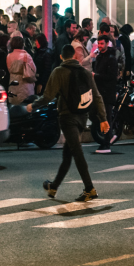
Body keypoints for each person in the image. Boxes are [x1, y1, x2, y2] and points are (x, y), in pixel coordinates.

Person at [28, 44, 109, 202]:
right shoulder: (85, 72)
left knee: (77, 152)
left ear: (61, 57)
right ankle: (54, 186)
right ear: (75, 56)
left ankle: (89, 188)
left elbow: (48, 96)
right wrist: (103, 118)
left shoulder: (58, 72)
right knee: (68, 154)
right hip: (82, 116)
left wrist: (33, 106)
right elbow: (97, 96)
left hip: (67, 117)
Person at [91, 34, 120, 153]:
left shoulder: (111, 58)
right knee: (95, 115)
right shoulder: (99, 57)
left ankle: (106, 143)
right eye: (99, 43)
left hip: (107, 92)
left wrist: (96, 76)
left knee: (106, 116)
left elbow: (112, 77)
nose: (100, 46)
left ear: (107, 43)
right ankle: (109, 136)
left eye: (102, 43)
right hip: (99, 91)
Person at [6, 36, 38, 106]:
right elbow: (33, 70)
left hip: (13, 84)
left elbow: (9, 69)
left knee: (14, 107)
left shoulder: (9, 56)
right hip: (25, 85)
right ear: (22, 44)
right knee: (25, 106)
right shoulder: (26, 56)